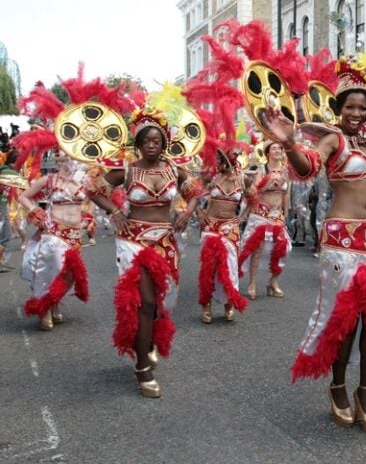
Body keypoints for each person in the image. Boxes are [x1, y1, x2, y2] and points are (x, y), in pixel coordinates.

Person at [263, 56, 366, 435]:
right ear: (339, 108)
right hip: (342, 239)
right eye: (350, 106)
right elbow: (308, 166)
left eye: (362, 108)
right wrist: (290, 143)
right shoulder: (334, 139)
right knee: (344, 320)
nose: (356, 112)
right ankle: (337, 387)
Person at [87, 107, 202, 398]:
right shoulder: (127, 170)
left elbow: (196, 194)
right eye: (147, 141)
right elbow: (93, 189)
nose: (152, 145)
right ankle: (142, 369)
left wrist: (186, 212)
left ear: (164, 143)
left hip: (165, 241)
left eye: (157, 140)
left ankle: (147, 341)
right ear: (138, 143)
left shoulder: (175, 170)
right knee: (146, 303)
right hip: (133, 242)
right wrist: (114, 211)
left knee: (164, 303)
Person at [19, 156, 90, 330]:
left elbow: (91, 201)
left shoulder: (83, 180)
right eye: (63, 159)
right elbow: (23, 197)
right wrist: (36, 211)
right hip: (54, 231)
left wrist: (89, 216)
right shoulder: (48, 180)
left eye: (71, 159)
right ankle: (44, 309)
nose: (68, 163)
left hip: (74, 234)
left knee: (68, 273)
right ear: (57, 161)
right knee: (50, 269)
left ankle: (54, 302)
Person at [198, 149, 250, 323]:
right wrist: (198, 212)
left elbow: (255, 197)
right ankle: (206, 305)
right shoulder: (211, 176)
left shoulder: (243, 179)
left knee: (230, 266)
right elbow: (190, 192)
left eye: (219, 159)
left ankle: (229, 302)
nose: (215, 162)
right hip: (211, 226)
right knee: (209, 267)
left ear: (229, 160)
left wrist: (243, 217)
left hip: (231, 228)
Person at [239, 141, 291, 299]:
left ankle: (273, 282)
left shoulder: (285, 171)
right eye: (274, 148)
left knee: (283, 249)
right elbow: (255, 191)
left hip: (277, 215)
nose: (277, 150)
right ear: (267, 153)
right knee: (257, 249)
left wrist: (286, 213)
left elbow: (286, 193)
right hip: (261, 214)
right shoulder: (262, 170)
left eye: (280, 148)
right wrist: (269, 182)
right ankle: (252, 283)